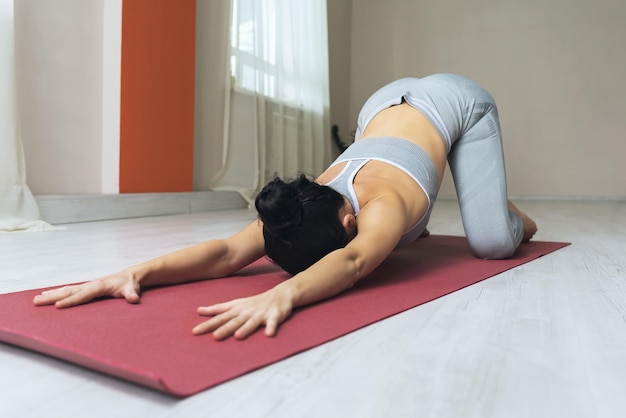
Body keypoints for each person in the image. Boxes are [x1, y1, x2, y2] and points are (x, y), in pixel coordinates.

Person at [33, 74, 537, 341]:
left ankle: (492, 202)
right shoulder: (304, 202)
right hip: (380, 105)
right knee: (403, 235)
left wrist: (284, 296)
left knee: (491, 242)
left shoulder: (380, 205)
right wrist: (134, 273)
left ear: (349, 220)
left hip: (453, 99)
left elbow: (355, 261)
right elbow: (228, 253)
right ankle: (452, 208)